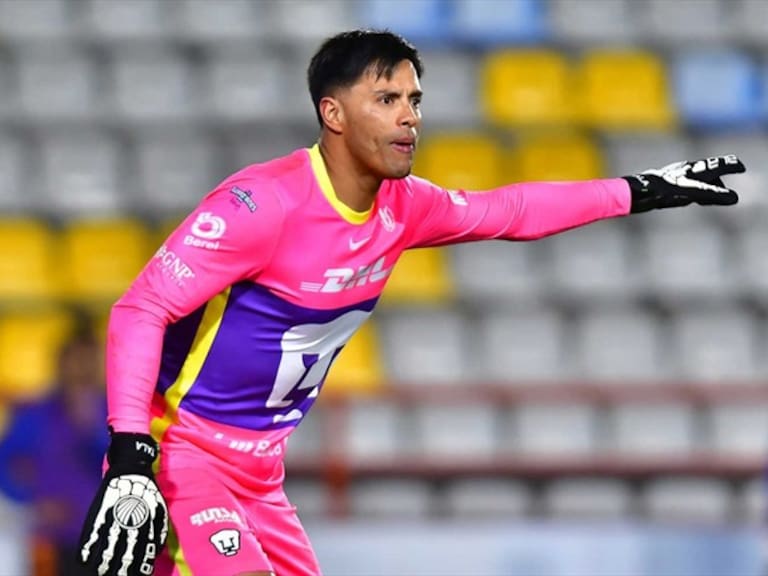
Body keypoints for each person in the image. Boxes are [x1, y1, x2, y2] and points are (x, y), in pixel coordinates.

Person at [77, 29, 745, 576]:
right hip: (180, 453)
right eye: (387, 97)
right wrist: (133, 452)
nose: (409, 116)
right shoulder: (261, 206)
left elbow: (508, 210)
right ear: (332, 113)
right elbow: (140, 309)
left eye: (414, 99)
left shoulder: (405, 207)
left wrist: (644, 188)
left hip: (261, 473)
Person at [0, 321, 108, 575]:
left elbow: (125, 462)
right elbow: (5, 464)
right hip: (53, 539)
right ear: (61, 362)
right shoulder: (35, 414)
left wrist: (93, 427)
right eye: (76, 360)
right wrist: (32, 501)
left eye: (89, 360)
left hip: (107, 535)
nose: (82, 369)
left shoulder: (115, 413)